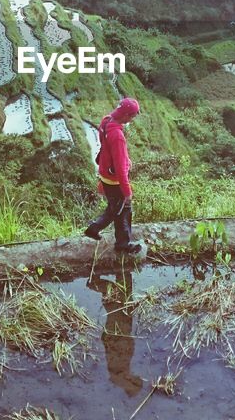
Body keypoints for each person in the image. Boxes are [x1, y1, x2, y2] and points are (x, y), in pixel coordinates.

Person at [84, 97, 142, 254]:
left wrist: (125, 159)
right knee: (124, 211)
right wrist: (127, 192)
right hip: (115, 181)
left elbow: (106, 148)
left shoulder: (106, 121)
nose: (132, 119)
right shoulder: (118, 136)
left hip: (105, 175)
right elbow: (121, 170)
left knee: (115, 208)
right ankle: (123, 244)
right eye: (132, 116)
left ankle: (94, 229)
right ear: (125, 115)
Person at [87, 266, 144, 396]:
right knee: (122, 294)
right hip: (120, 330)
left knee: (118, 294)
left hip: (117, 331)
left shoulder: (119, 372)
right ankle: (121, 270)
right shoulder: (121, 373)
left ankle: (96, 281)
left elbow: (114, 349)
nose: (136, 377)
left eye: (136, 380)